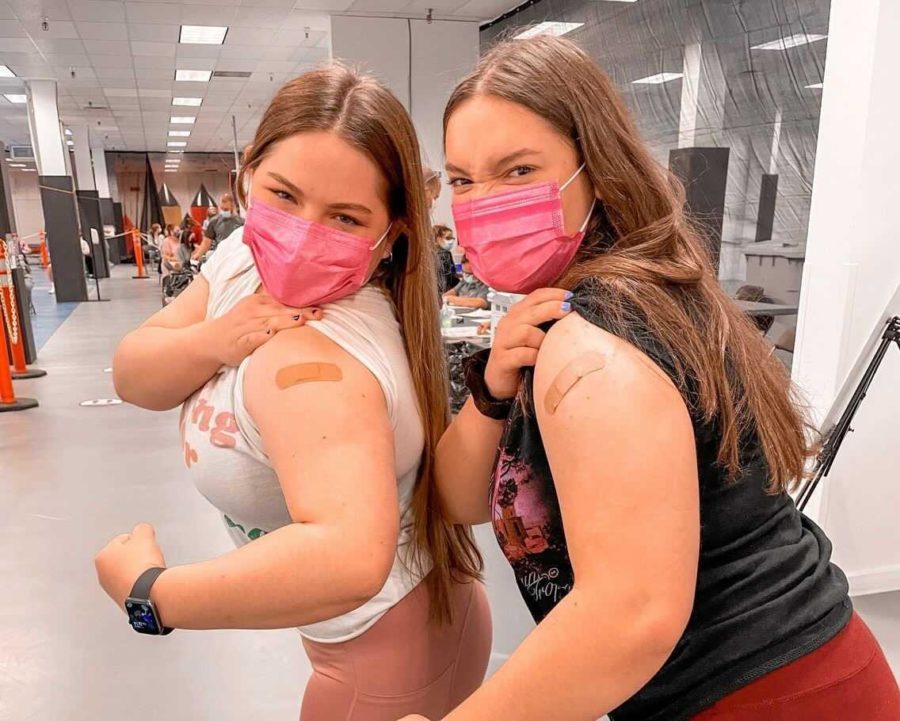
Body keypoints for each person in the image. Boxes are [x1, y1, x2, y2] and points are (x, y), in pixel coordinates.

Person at [407, 36, 900, 721]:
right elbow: (460, 498)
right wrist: (493, 385)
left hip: (768, 694)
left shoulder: (594, 344)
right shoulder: (580, 303)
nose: (483, 202)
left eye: (518, 171)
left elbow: (630, 615)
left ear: (597, 172)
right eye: (462, 180)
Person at [98, 65, 491, 721]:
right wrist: (217, 340)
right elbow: (132, 372)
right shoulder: (241, 263)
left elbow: (347, 557)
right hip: (377, 635)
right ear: (248, 176)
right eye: (283, 194)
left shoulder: (314, 360)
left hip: (389, 654)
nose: (304, 231)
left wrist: (150, 593)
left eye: (344, 216)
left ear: (389, 235)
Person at [193, 194, 244, 260]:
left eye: (226, 209)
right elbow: (206, 241)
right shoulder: (214, 221)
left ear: (232, 206)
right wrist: (198, 254)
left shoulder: (241, 222)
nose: (224, 211)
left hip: (236, 255)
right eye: (222, 209)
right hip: (220, 255)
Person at [433, 224, 458, 293]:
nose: (452, 240)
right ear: (438, 239)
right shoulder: (445, 254)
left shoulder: (429, 253)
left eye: (452, 238)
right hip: (444, 292)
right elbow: (447, 278)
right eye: (448, 238)